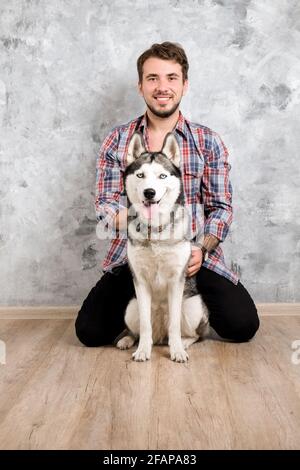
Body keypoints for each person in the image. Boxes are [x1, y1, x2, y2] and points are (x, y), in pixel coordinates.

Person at [75, 42, 259, 347]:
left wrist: (200, 248)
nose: (163, 87)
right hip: (136, 257)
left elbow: (221, 208)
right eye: (153, 78)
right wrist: (143, 219)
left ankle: (186, 324)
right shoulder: (118, 140)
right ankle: (144, 324)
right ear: (140, 85)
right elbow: (105, 208)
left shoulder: (208, 141)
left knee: (242, 326)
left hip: (192, 257)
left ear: (184, 85)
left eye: (171, 78)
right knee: (90, 333)